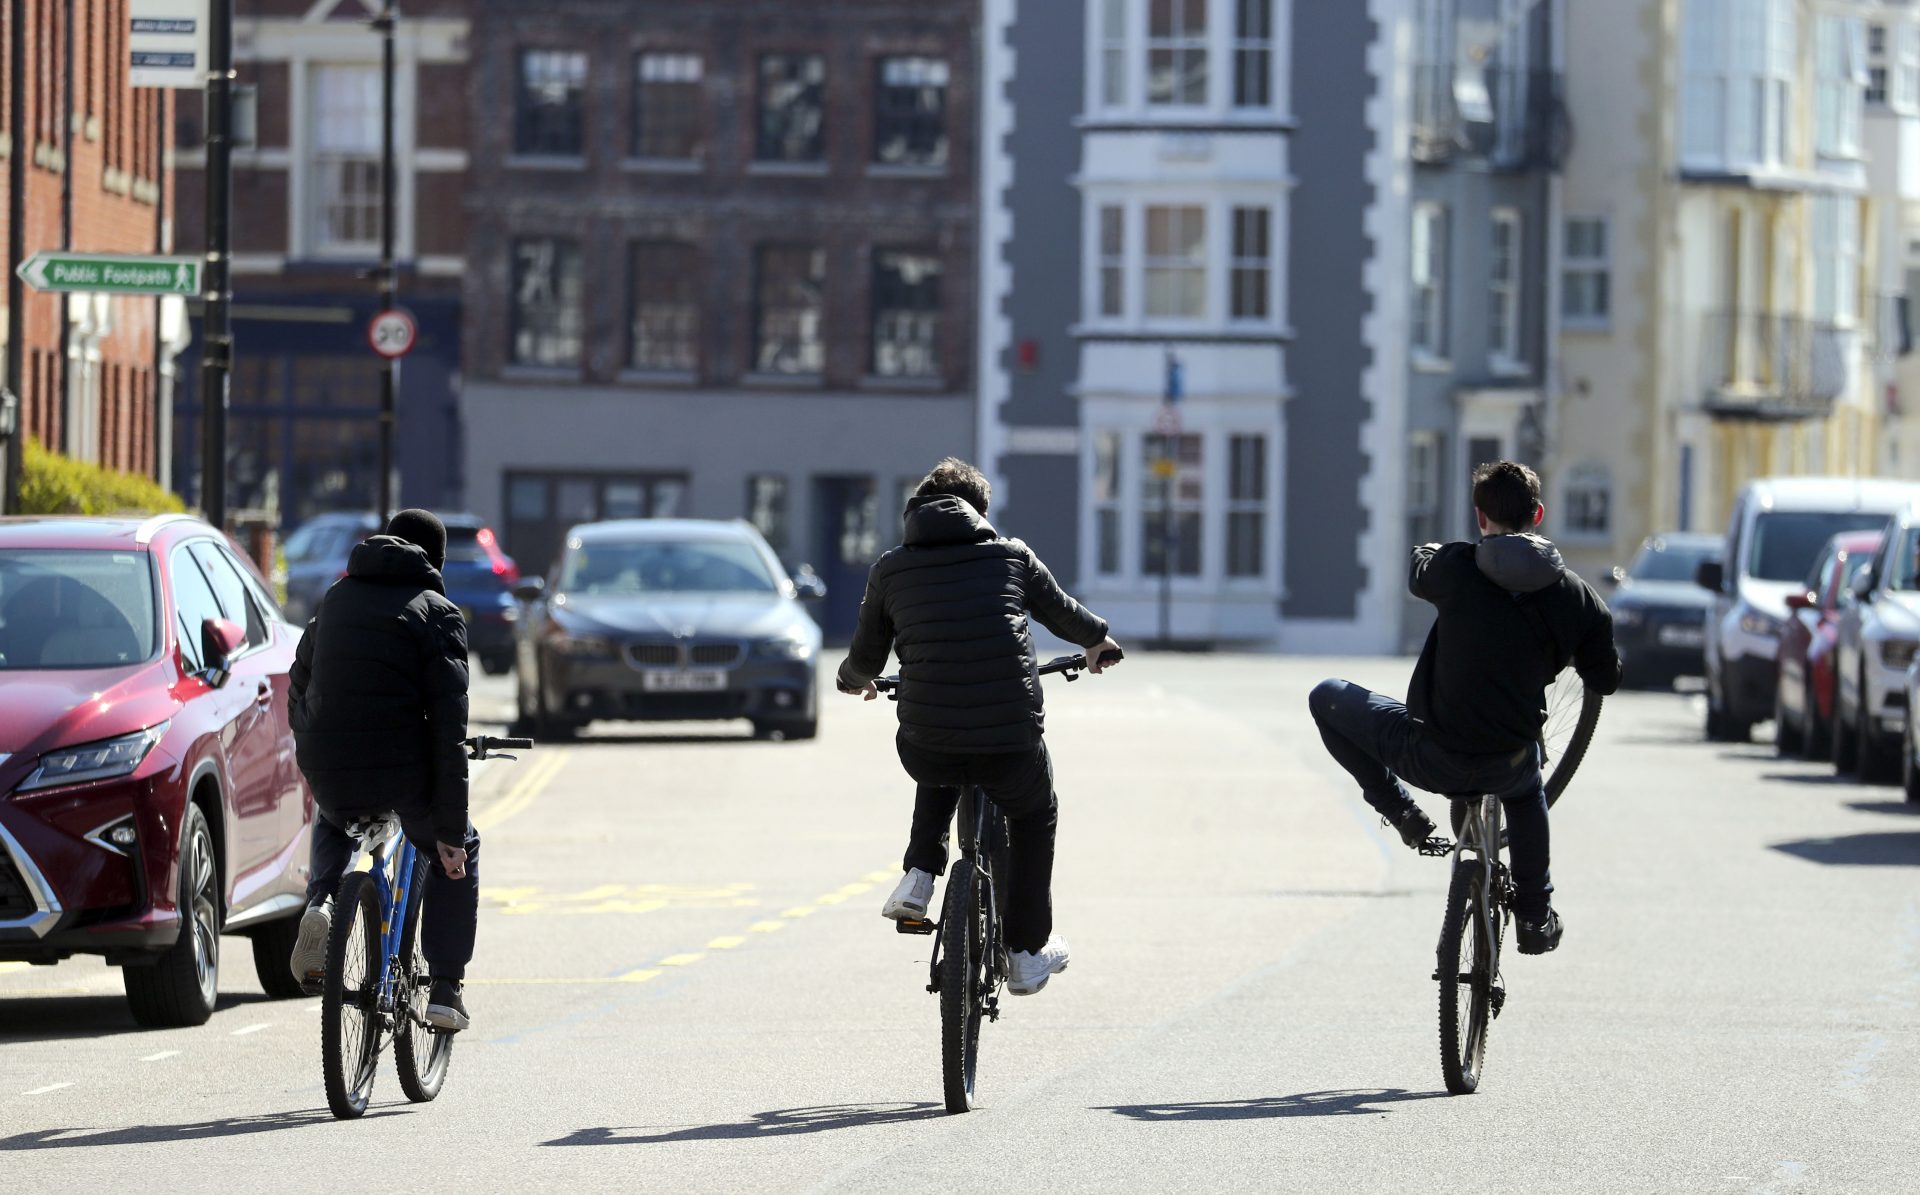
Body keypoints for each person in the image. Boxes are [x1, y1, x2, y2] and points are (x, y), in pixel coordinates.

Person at [1307, 461, 1619, 955]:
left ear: (1479, 517)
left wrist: (1431, 553)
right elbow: (1606, 678)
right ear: (1537, 514)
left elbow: (1418, 570)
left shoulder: (1454, 567)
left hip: (1431, 757)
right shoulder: (1577, 596)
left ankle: (1401, 812)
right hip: (1508, 763)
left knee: (1326, 696)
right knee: (1526, 790)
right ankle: (1535, 916)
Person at [838, 458, 1123, 996]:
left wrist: (852, 680)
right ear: (980, 512)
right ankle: (1026, 951)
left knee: (938, 739)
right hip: (1010, 741)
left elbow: (865, 656)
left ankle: (920, 875)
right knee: (1036, 813)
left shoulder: (890, 568)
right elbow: (1064, 614)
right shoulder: (1010, 556)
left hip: (928, 743)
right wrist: (1099, 642)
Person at [285, 509, 480, 1030]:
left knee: (333, 813)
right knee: (458, 849)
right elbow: (447, 733)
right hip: (401, 772)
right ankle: (443, 987)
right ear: (436, 560)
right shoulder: (438, 613)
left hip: (328, 760)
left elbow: (298, 681)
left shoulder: (333, 601)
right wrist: (449, 833)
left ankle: (323, 902)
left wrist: (312, 742)